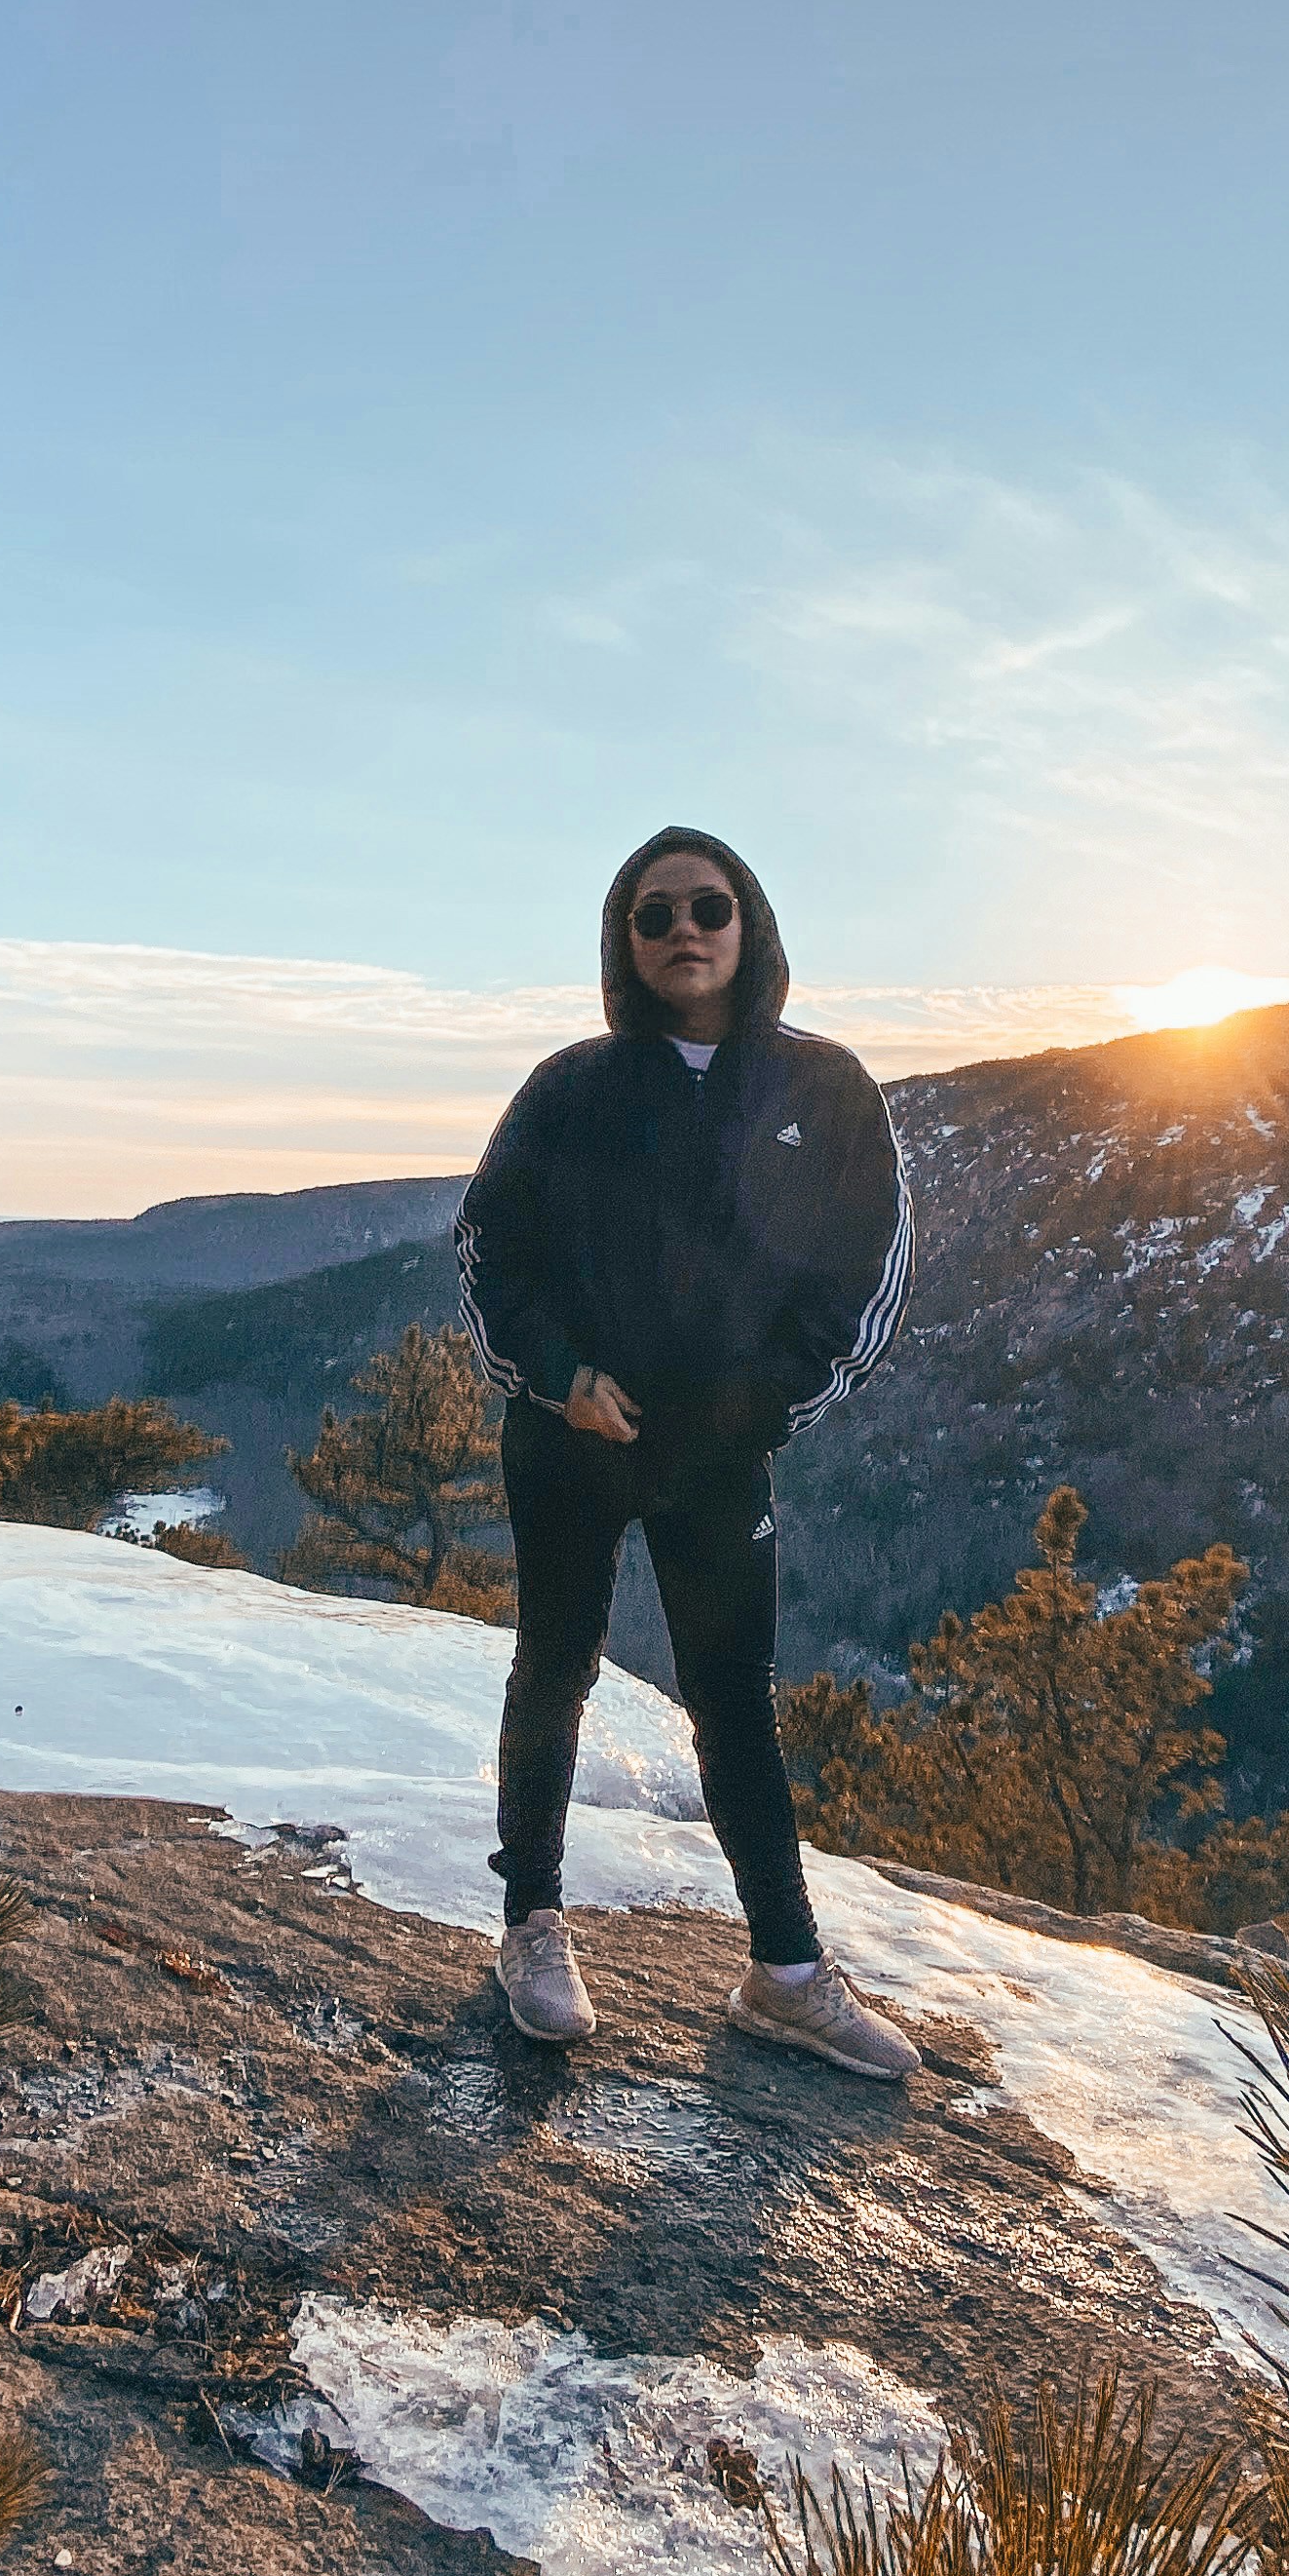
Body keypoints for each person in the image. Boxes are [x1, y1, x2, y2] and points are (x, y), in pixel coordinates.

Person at [452, 826, 920, 2078]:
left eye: (706, 908)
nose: (683, 933)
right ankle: (531, 1927)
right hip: (570, 1440)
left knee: (734, 1707)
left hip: (720, 1457)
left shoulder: (824, 1090)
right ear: (624, 941)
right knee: (553, 1670)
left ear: (748, 922)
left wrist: (754, 1413)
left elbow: (865, 1276)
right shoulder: (571, 1088)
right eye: (652, 917)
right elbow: (493, 1245)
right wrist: (558, 1380)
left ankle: (786, 1974)